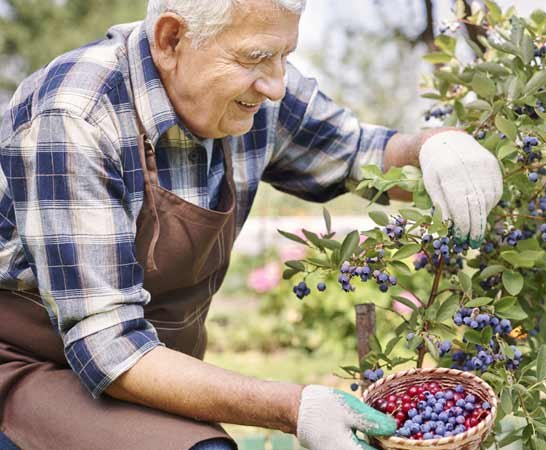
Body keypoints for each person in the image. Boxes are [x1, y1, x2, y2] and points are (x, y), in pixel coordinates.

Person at [0, 0, 503, 449]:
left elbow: (358, 154)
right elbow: (108, 348)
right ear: (171, 40)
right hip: (28, 363)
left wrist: (434, 148)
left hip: (147, 361)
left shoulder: (251, 93)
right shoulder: (75, 117)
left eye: (285, 56)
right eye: (257, 58)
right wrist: (294, 407)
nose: (277, 85)